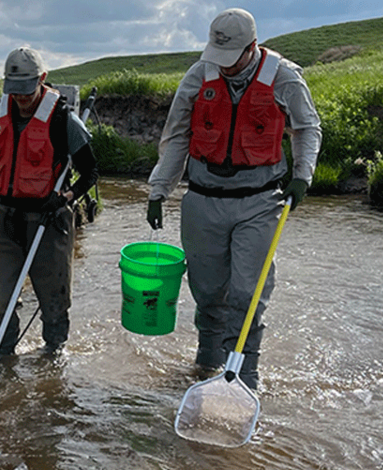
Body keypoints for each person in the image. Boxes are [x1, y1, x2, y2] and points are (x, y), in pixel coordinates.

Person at [146, 8, 321, 389]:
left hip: (259, 201)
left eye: (231, 59)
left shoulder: (283, 77)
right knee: (207, 293)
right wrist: (159, 189)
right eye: (218, 58)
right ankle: (206, 368)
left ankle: (244, 378)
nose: (223, 67)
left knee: (247, 294)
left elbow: (307, 128)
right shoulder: (199, 75)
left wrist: (301, 177)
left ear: (252, 47)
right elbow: (176, 135)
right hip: (203, 198)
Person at [0, 47, 98, 356]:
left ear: (42, 79)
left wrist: (64, 198)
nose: (21, 98)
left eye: (27, 91)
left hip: (48, 220)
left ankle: (54, 356)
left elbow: (90, 172)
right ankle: (3, 358)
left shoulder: (63, 119)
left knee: (53, 298)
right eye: (15, 91)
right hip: (4, 218)